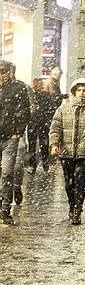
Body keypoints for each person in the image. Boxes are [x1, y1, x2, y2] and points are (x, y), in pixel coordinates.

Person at [49, 78, 85, 225]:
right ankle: (71, 204)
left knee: (80, 178)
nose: (82, 93)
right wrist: (54, 144)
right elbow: (55, 128)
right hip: (66, 151)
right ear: (74, 91)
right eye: (79, 90)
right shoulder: (63, 108)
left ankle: (77, 209)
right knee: (69, 182)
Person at [0, 61, 30, 224]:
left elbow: (24, 111)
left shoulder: (18, 88)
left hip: (9, 137)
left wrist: (17, 132)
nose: (2, 75)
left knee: (8, 172)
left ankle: (5, 208)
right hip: (8, 135)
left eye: (4, 71)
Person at [29, 77, 56, 174]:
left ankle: (45, 162)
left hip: (42, 123)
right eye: (35, 84)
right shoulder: (31, 96)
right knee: (32, 145)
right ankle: (33, 165)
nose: (37, 86)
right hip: (33, 123)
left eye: (39, 84)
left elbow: (51, 109)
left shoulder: (46, 96)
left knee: (43, 144)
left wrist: (48, 120)